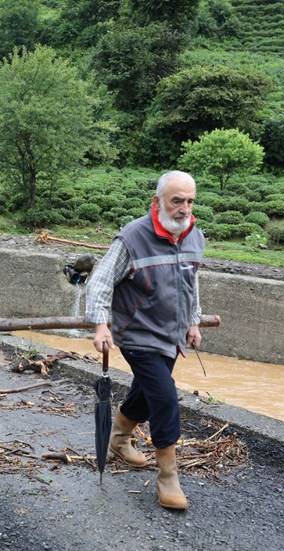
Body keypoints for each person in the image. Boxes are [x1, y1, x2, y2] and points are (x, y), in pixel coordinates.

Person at [84, 170, 204, 511]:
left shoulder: (194, 235)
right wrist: (101, 326)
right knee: (165, 397)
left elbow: (191, 283)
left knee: (147, 391)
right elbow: (100, 282)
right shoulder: (133, 237)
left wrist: (193, 321)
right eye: (177, 200)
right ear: (158, 201)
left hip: (171, 333)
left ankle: (118, 440)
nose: (184, 208)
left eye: (190, 201)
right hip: (137, 333)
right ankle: (168, 477)